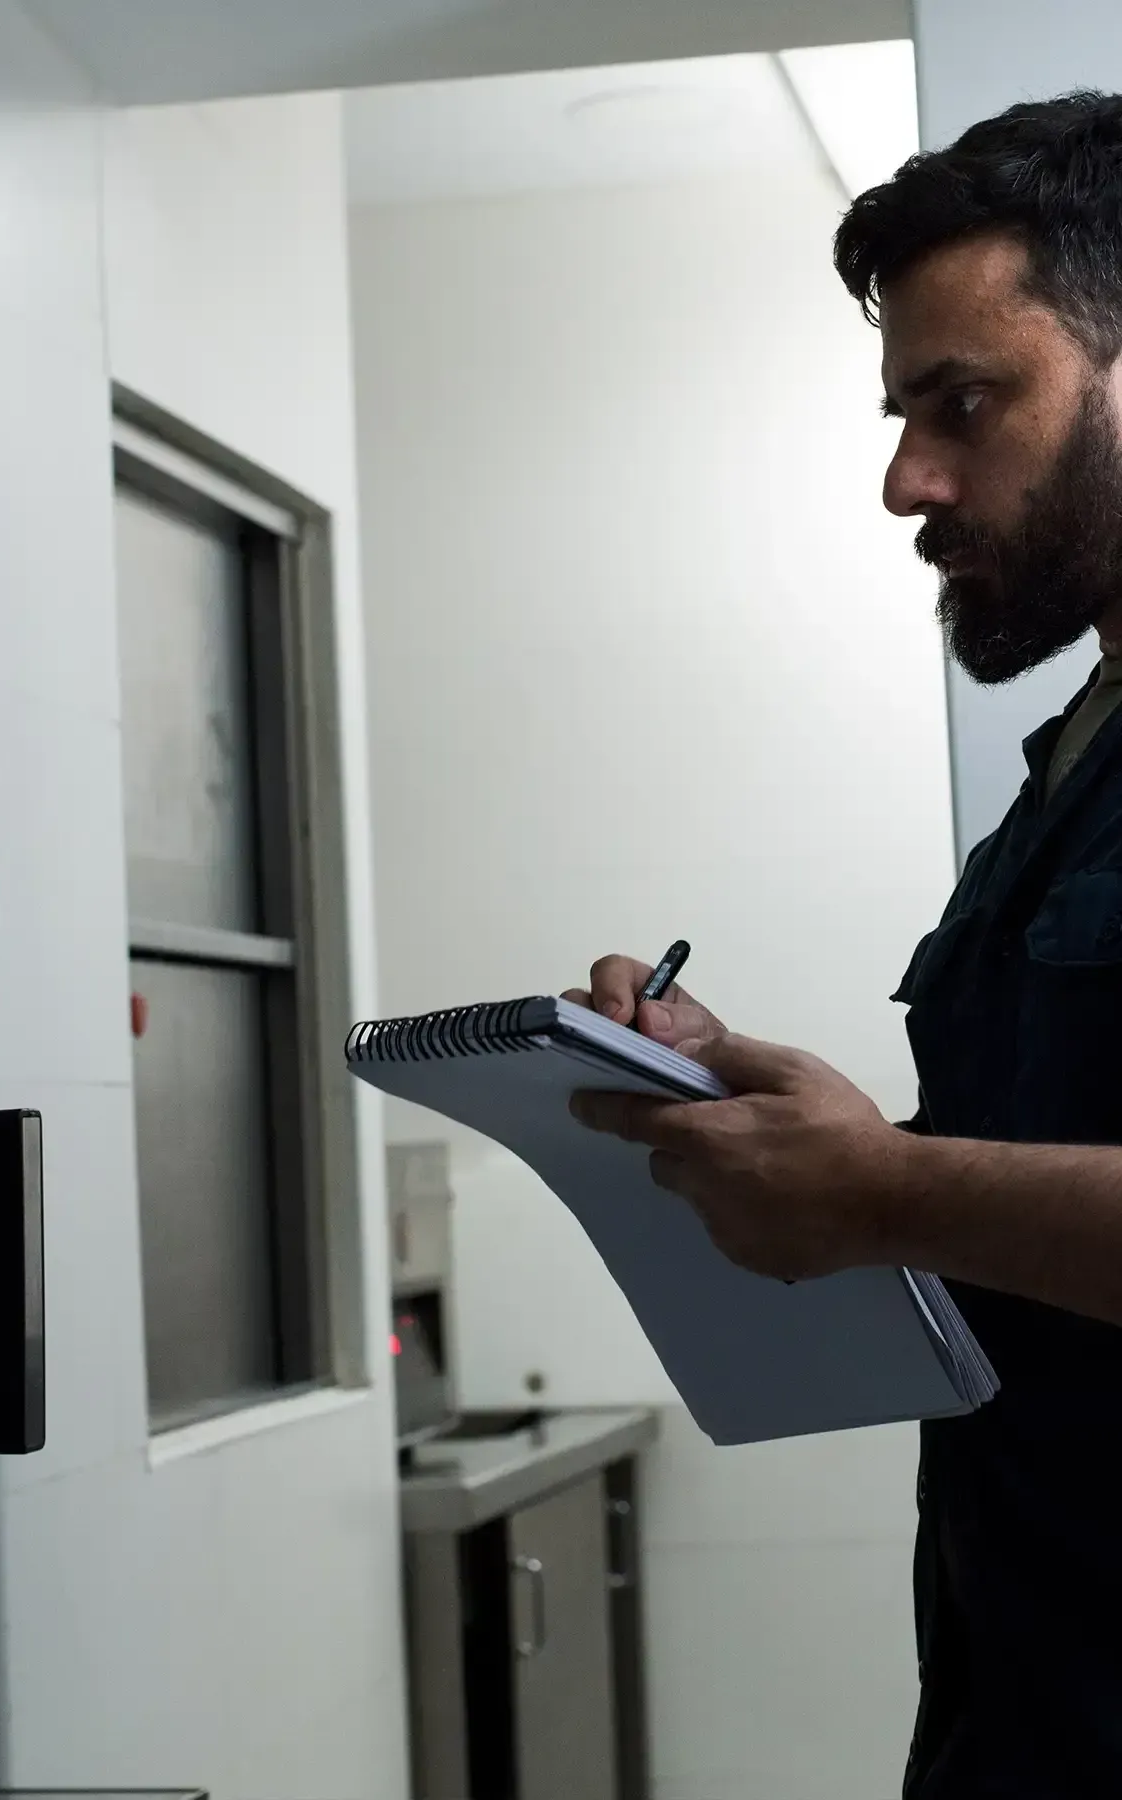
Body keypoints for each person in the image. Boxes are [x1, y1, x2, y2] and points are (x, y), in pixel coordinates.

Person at [569, 91, 1122, 1799]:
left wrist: (881, 1191)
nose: (908, 481)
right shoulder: (1078, 758)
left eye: (967, 404)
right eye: (904, 413)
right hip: (1026, 1697)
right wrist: (771, 1111)